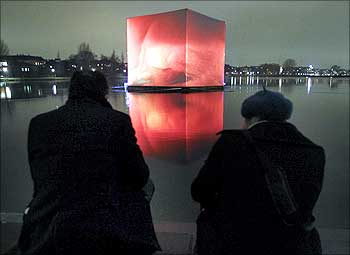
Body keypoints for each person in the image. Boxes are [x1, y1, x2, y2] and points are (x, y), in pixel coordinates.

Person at [17, 71, 161, 255]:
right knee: (147, 186)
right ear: (103, 92)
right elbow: (140, 176)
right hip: (103, 224)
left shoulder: (39, 124)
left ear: (71, 91)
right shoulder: (117, 121)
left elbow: (39, 180)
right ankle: (138, 242)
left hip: (49, 224)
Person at [191, 89, 325, 255]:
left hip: (236, 241)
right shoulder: (314, 151)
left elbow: (199, 191)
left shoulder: (231, 143)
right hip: (291, 242)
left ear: (252, 117)